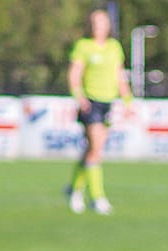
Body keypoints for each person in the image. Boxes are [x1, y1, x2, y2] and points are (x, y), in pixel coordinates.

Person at [66, 9, 130, 215]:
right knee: (96, 148)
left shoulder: (114, 47)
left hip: (107, 103)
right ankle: (97, 197)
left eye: (102, 22)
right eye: (95, 22)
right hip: (90, 103)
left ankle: (74, 190)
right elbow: (74, 74)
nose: (98, 26)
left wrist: (128, 100)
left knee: (92, 151)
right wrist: (79, 96)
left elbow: (120, 76)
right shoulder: (83, 46)